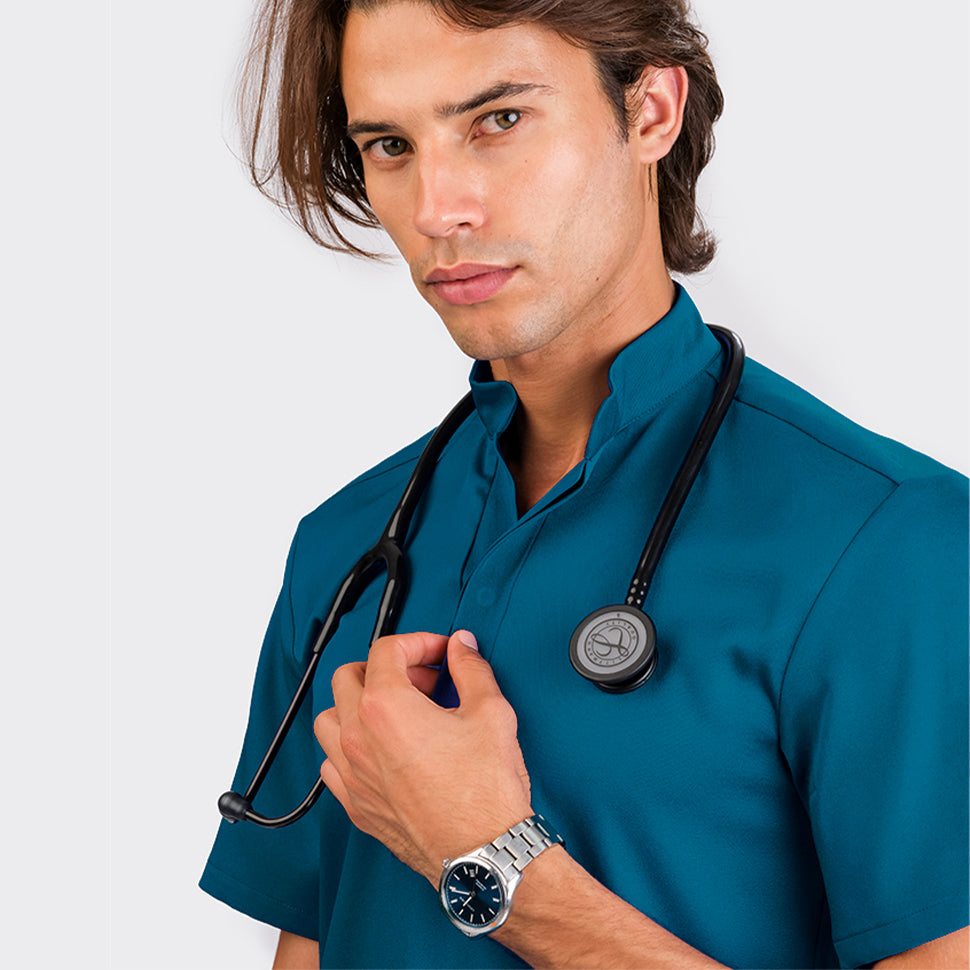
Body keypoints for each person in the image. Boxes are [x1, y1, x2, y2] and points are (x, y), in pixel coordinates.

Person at [200, 0, 969, 967]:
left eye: (498, 121)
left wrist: (490, 862)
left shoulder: (894, 548)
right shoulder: (346, 546)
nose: (438, 209)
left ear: (651, 111)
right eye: (391, 145)